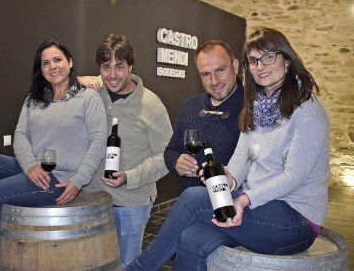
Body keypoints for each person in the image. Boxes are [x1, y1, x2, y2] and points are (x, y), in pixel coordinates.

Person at [126, 27, 330, 270]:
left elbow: (293, 177)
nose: (260, 66)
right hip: (258, 207)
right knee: (191, 239)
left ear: (286, 59)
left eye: (269, 56)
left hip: (295, 219)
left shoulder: (306, 109)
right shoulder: (256, 107)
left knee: (192, 198)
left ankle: (138, 267)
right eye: (253, 60)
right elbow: (241, 159)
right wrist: (227, 178)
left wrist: (244, 198)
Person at [0, 39, 108, 270]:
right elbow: (20, 134)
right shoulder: (34, 99)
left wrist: (78, 182)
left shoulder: (88, 98)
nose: (52, 66)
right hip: (31, 169)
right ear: (41, 70)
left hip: (58, 178)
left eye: (57, 59)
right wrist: (30, 165)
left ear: (70, 62)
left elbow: (99, 143)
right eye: (45, 63)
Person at [79, 34, 173, 268]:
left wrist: (130, 177)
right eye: (106, 67)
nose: (112, 75)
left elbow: (167, 156)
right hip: (91, 199)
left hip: (131, 203)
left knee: (126, 264)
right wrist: (75, 80)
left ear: (130, 66)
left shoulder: (151, 105)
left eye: (119, 67)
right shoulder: (92, 95)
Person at [164, 40, 244, 192]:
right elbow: (171, 150)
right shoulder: (189, 106)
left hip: (235, 209)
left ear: (235, 66)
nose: (214, 81)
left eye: (220, 70)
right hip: (192, 205)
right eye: (206, 74)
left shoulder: (254, 108)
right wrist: (176, 162)